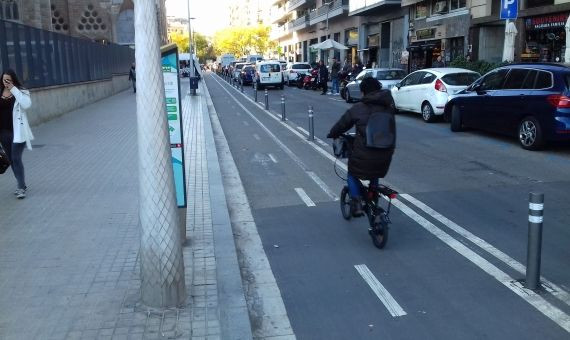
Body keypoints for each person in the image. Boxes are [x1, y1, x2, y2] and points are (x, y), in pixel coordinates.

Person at [327, 77, 395, 216]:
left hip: (364, 155)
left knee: (352, 173)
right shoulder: (389, 108)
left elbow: (342, 125)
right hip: (386, 154)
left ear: (363, 92)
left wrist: (332, 134)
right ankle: (373, 194)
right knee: (375, 170)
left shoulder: (358, 108)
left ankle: (357, 203)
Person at [0, 69, 33, 199]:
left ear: (13, 79)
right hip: (3, 133)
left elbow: (26, 105)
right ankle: (21, 184)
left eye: (8, 79)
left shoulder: (22, 92)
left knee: (16, 158)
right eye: (4, 79)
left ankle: (20, 188)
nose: (6, 82)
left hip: (18, 132)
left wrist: (13, 88)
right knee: (12, 160)